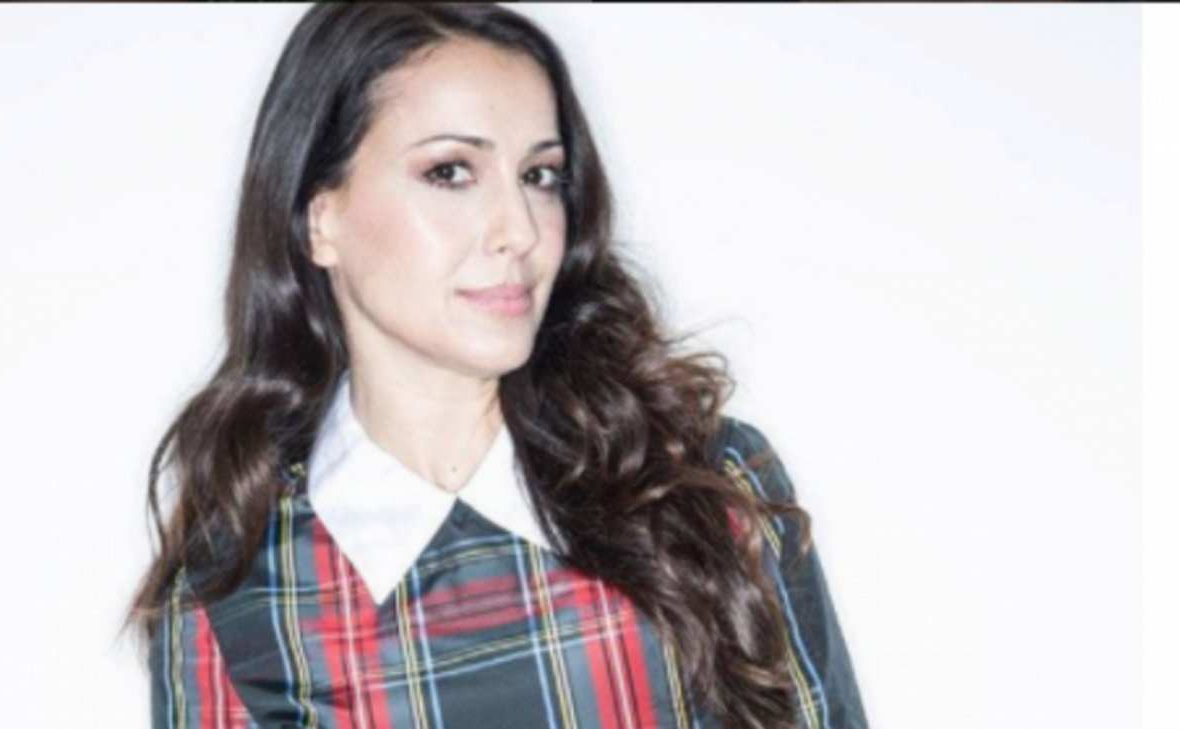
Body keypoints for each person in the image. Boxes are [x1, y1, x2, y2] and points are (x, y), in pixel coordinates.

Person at [125, 4, 869, 728]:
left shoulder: (699, 481)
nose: (519, 230)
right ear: (321, 218)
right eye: (450, 172)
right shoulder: (234, 587)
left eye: (540, 176)